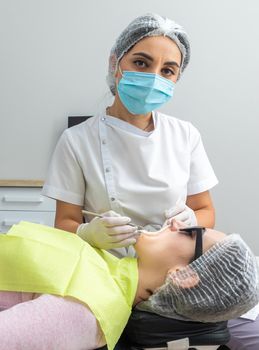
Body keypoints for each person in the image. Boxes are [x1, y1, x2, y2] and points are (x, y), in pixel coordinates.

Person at [41, 13, 259, 350]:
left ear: (175, 79)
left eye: (167, 70)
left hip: (178, 280)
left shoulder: (185, 135)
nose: (153, 77)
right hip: (108, 278)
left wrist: (190, 221)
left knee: (248, 336)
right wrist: (87, 233)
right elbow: (64, 223)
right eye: (141, 62)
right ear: (116, 63)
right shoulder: (76, 141)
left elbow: (204, 211)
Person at [0, 221, 258, 350]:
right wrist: (83, 233)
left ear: (182, 275)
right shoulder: (108, 271)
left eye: (190, 232)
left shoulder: (85, 312)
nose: (175, 222)